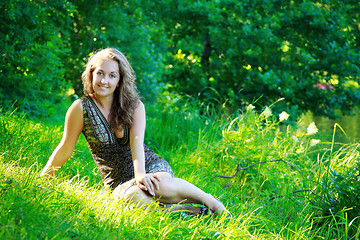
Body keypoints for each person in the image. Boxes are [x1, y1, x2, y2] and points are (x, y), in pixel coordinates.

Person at [41, 48, 229, 216]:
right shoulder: (80, 109)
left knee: (159, 185)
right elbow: (65, 147)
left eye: (112, 75)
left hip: (148, 165)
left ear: (120, 80)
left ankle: (209, 201)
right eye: (100, 73)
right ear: (91, 74)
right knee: (133, 197)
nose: (104, 81)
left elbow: (136, 141)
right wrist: (43, 177)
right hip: (118, 181)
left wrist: (141, 174)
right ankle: (182, 211)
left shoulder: (134, 106)